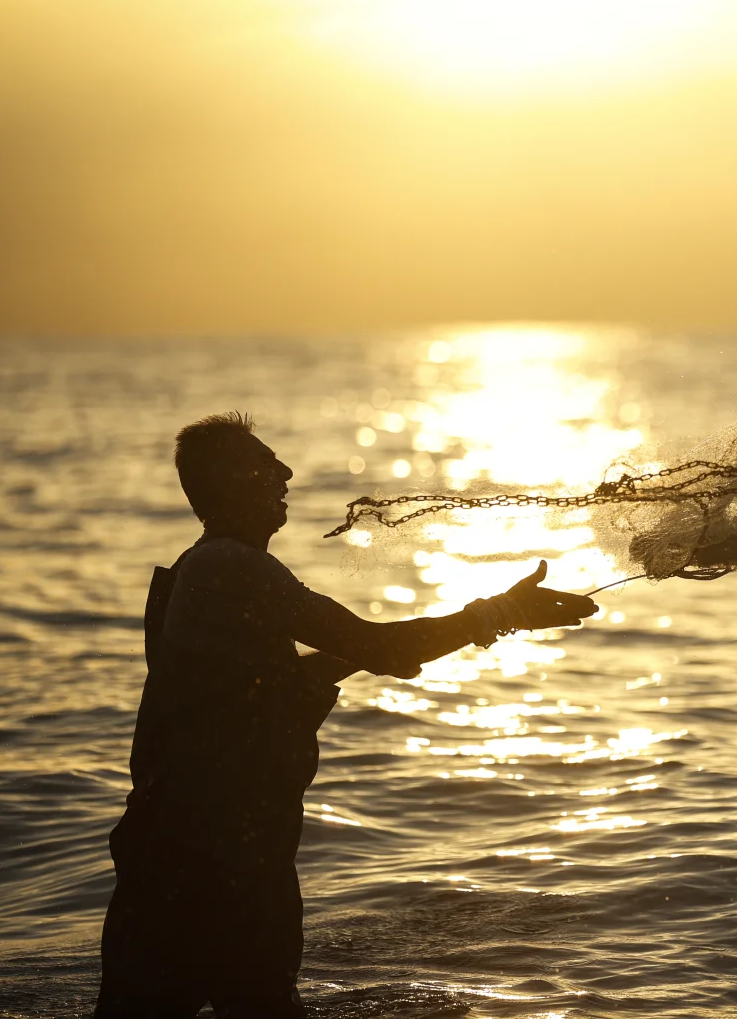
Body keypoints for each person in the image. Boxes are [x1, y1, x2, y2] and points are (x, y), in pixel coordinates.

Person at [96, 412, 598, 1017]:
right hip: (208, 863)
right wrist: (494, 614)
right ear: (228, 481)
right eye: (265, 463)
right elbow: (384, 647)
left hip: (199, 855)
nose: (285, 472)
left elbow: (276, 683)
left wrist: (421, 638)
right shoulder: (233, 565)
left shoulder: (204, 569)